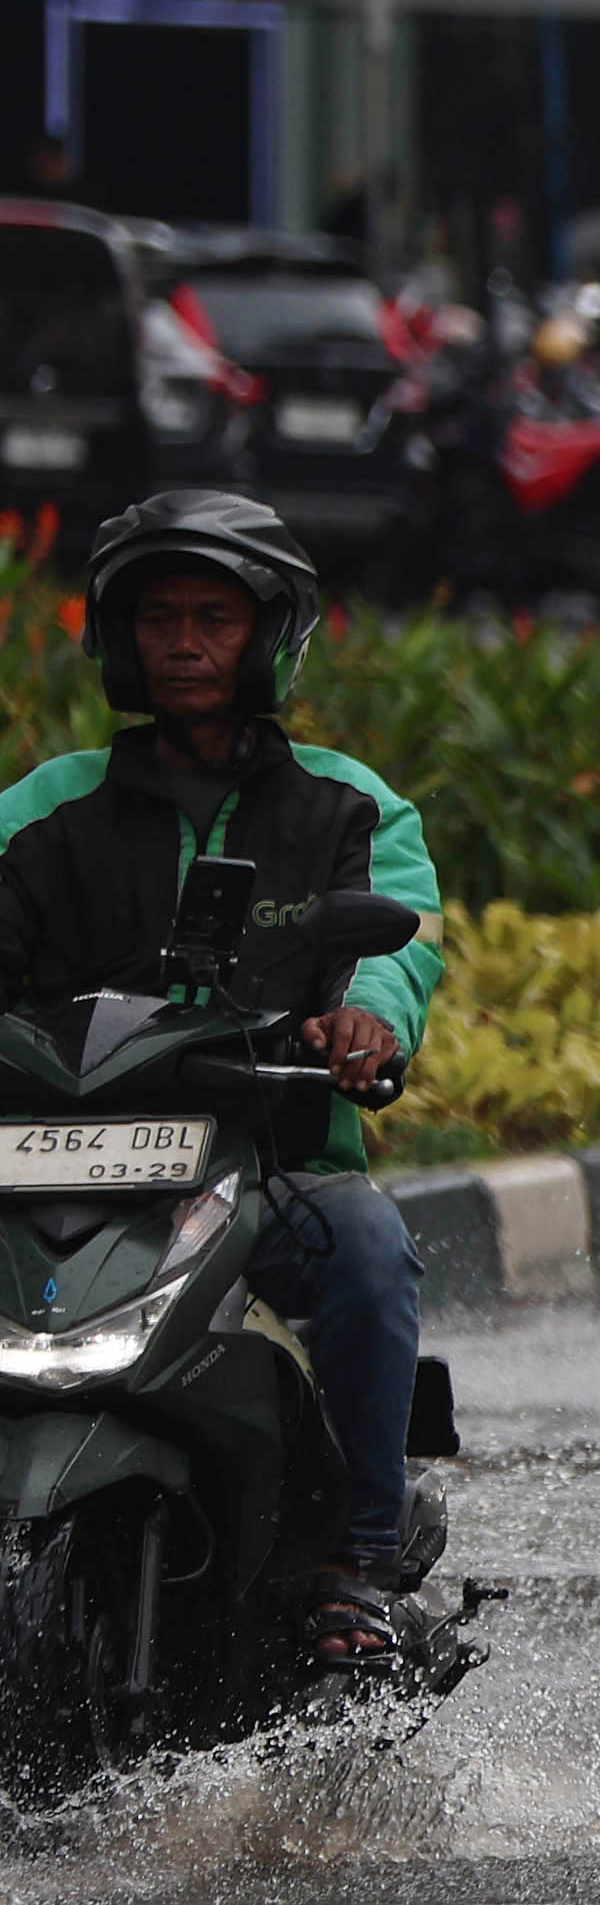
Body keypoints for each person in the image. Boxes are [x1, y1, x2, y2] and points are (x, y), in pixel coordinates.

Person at [0, 492, 444, 1672]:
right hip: (44, 1172)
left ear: (271, 635)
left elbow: (402, 946)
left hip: (269, 1168)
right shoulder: (43, 810)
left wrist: (368, 1020)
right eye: (158, 619)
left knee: (366, 1249)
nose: (185, 642)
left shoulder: (352, 805)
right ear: (117, 639)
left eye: (214, 617)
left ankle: (352, 1559)